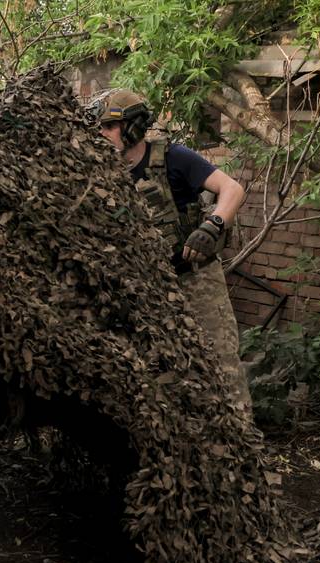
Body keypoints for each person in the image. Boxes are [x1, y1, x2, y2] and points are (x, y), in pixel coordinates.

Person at [86, 88, 255, 422]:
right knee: (157, 373)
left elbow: (232, 189)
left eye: (108, 126)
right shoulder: (101, 172)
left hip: (195, 280)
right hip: (147, 290)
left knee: (220, 366)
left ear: (133, 127)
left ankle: (240, 448)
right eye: (98, 127)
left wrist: (213, 226)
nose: (101, 134)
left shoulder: (175, 158)